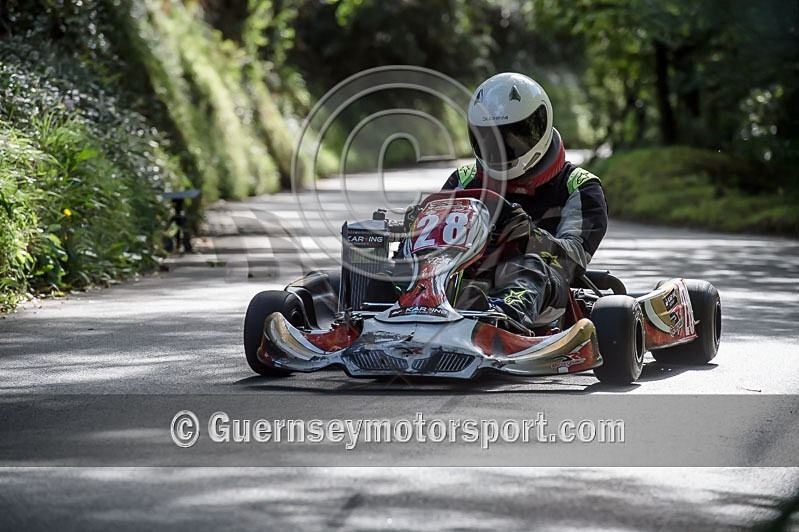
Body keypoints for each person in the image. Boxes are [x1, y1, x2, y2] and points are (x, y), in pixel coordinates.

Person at [442, 72, 608, 329]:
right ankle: (373, 316)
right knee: (392, 264)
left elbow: (573, 261)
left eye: (514, 135)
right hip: (465, 278)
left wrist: (531, 238)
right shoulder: (464, 181)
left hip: (544, 293)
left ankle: (500, 320)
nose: (502, 147)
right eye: (489, 137)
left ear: (539, 126)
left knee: (529, 266)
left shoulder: (579, 186)